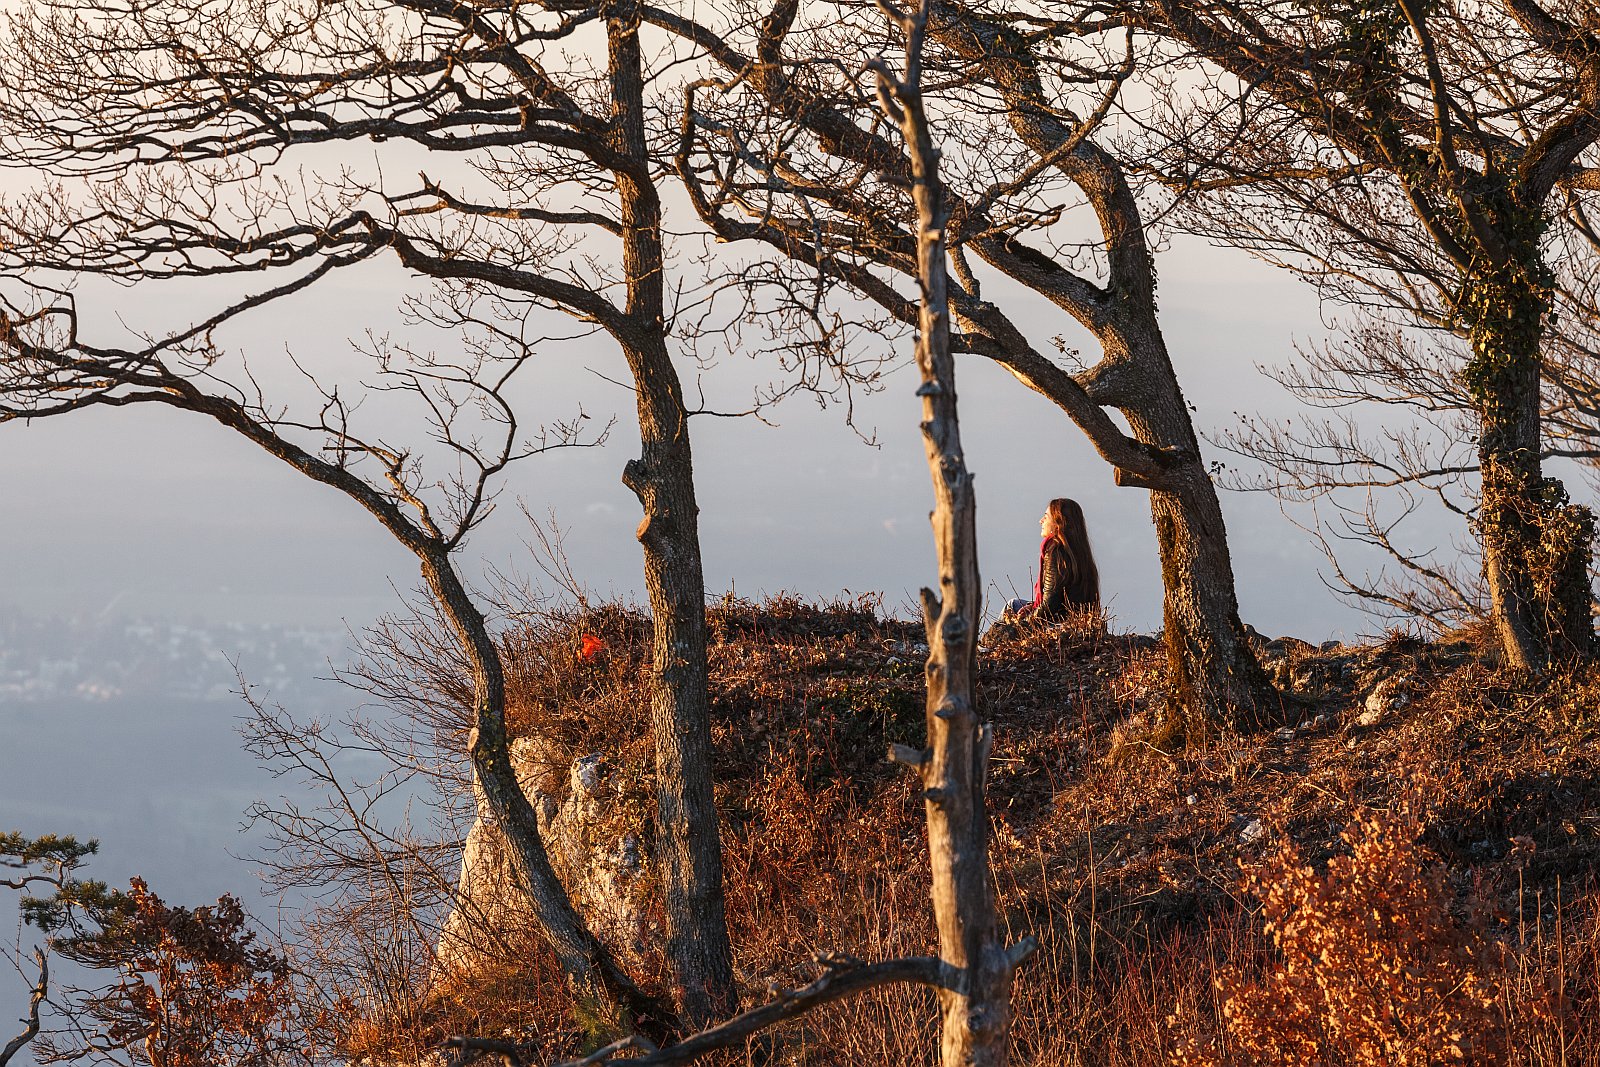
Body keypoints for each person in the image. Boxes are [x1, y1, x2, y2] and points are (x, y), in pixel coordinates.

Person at [1007, 498, 1101, 622]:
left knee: (1011, 606)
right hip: (1072, 620)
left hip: (1058, 623)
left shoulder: (1056, 552)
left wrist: (1025, 623)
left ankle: (983, 641)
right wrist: (1033, 606)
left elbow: (1050, 605)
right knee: (1017, 605)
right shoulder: (1079, 551)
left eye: (1046, 517)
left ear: (1058, 523)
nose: (1040, 521)